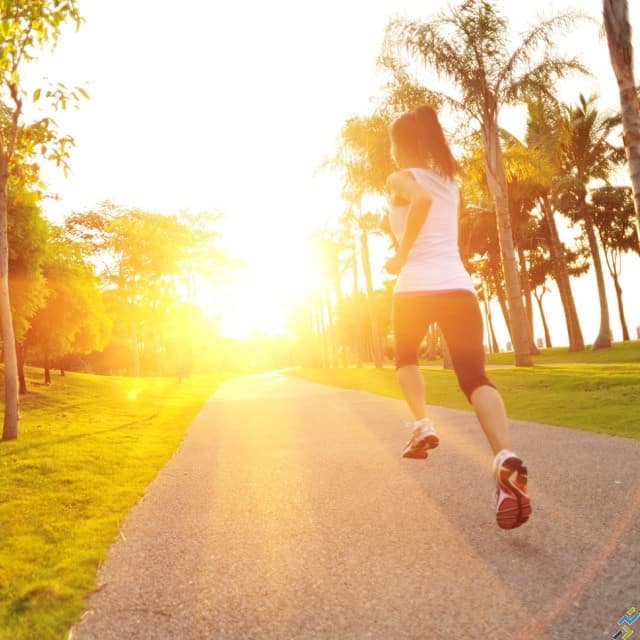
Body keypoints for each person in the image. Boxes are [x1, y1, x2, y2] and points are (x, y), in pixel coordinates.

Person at [385, 105, 532, 530]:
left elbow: (420, 201)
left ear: (401, 146)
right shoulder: (450, 180)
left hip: (414, 288)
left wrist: (400, 254)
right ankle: (504, 456)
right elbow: (428, 208)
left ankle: (421, 424)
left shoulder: (400, 179)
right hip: (457, 288)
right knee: (475, 378)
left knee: (406, 360)